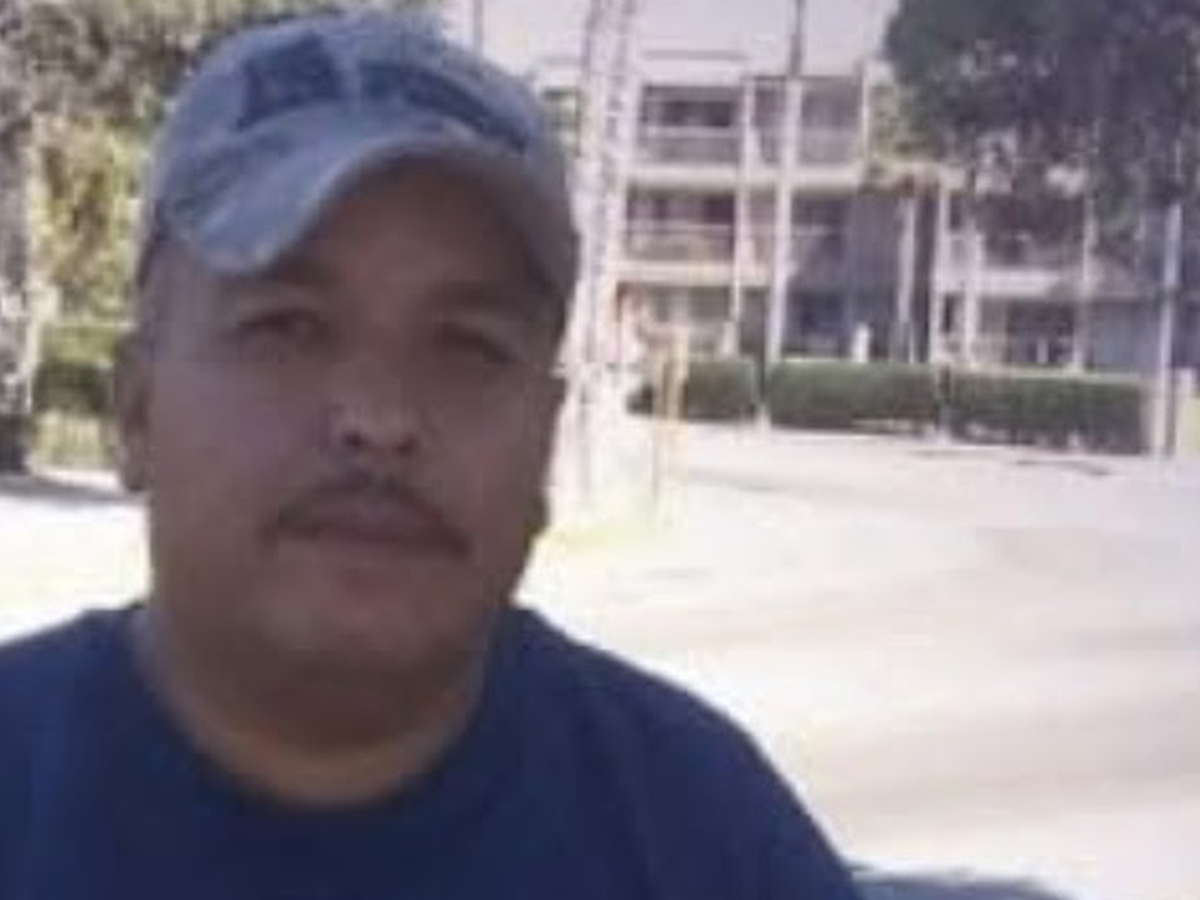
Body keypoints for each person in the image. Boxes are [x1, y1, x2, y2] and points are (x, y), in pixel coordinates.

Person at [0, 10, 862, 898]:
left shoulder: (706, 836)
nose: (379, 419)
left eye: (467, 346)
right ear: (136, 407)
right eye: (287, 326)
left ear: (545, 440)